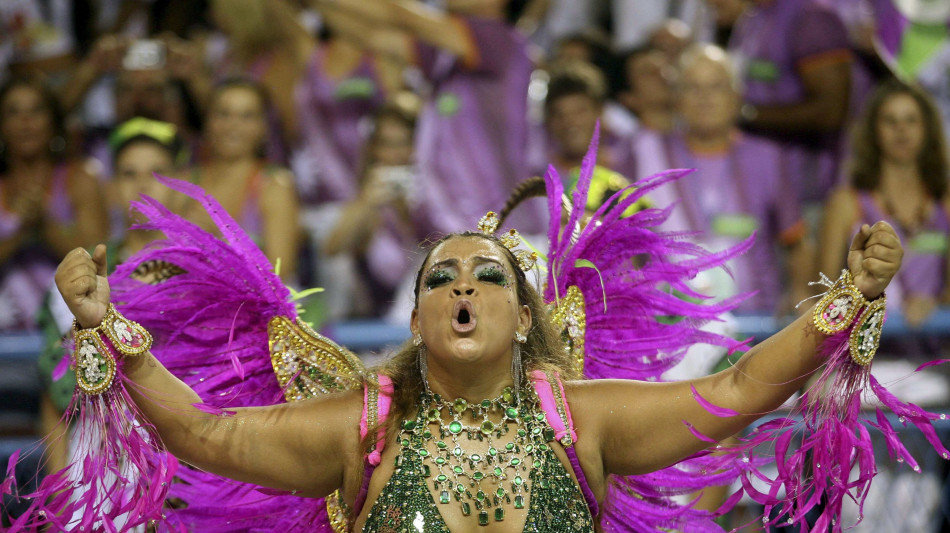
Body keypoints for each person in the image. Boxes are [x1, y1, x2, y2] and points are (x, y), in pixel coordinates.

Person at [47, 193, 907, 533]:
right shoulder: (365, 423)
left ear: (523, 315)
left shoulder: (586, 417)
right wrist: (107, 324)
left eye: (487, 275)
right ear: (418, 316)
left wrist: (849, 303)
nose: (463, 287)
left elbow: (738, 386)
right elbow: (206, 431)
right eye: (441, 278)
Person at [637, 45, 812, 314]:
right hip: (668, 328)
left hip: (756, 329)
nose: (704, 98)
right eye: (692, 88)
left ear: (736, 97)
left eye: (715, 87)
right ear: (676, 99)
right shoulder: (646, 154)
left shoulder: (768, 158)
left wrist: (799, 293)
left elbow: (795, 242)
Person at [820, 80, 950, 328]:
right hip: (865, 356)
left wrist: (936, 306)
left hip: (937, 354)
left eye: (911, 120)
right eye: (890, 121)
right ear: (873, 131)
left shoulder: (945, 201)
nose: (902, 130)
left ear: (928, 129)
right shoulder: (846, 202)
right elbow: (822, 293)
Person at [0, 76, 107, 330]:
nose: (26, 122)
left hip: (69, 335)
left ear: (54, 122)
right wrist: (22, 231)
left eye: (36, 110)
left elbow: (100, 262)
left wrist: (45, 226)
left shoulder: (80, 179)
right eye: (14, 112)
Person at [183, 79, 301, 282]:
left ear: (263, 127)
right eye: (223, 114)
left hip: (255, 311)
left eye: (247, 116)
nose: (233, 125)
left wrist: (215, 242)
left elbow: (279, 271)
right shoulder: (183, 183)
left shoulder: (274, 186)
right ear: (207, 121)